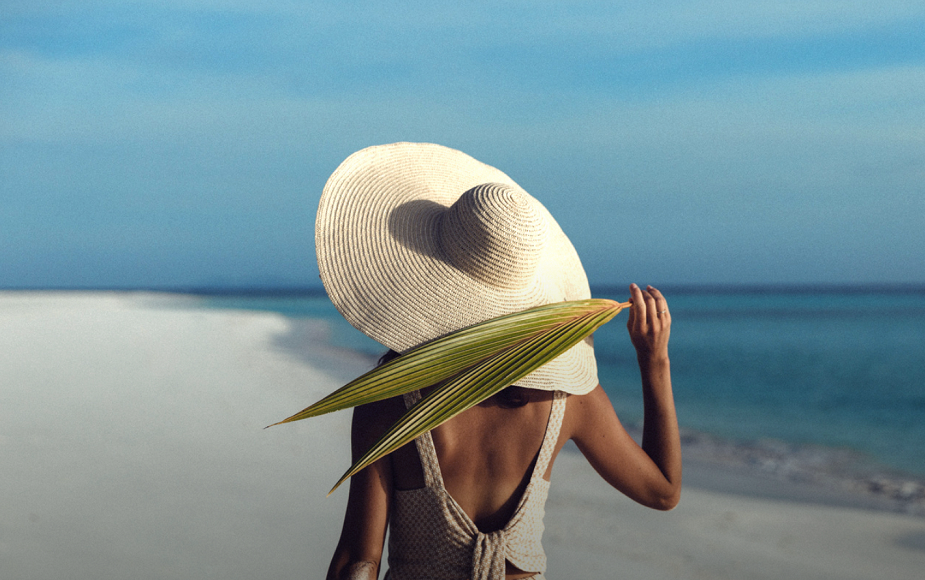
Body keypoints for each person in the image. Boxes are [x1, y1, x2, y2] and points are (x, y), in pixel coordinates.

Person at [315, 143, 681, 580]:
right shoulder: (569, 398)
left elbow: (359, 559)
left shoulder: (391, 397)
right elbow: (661, 491)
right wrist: (653, 361)